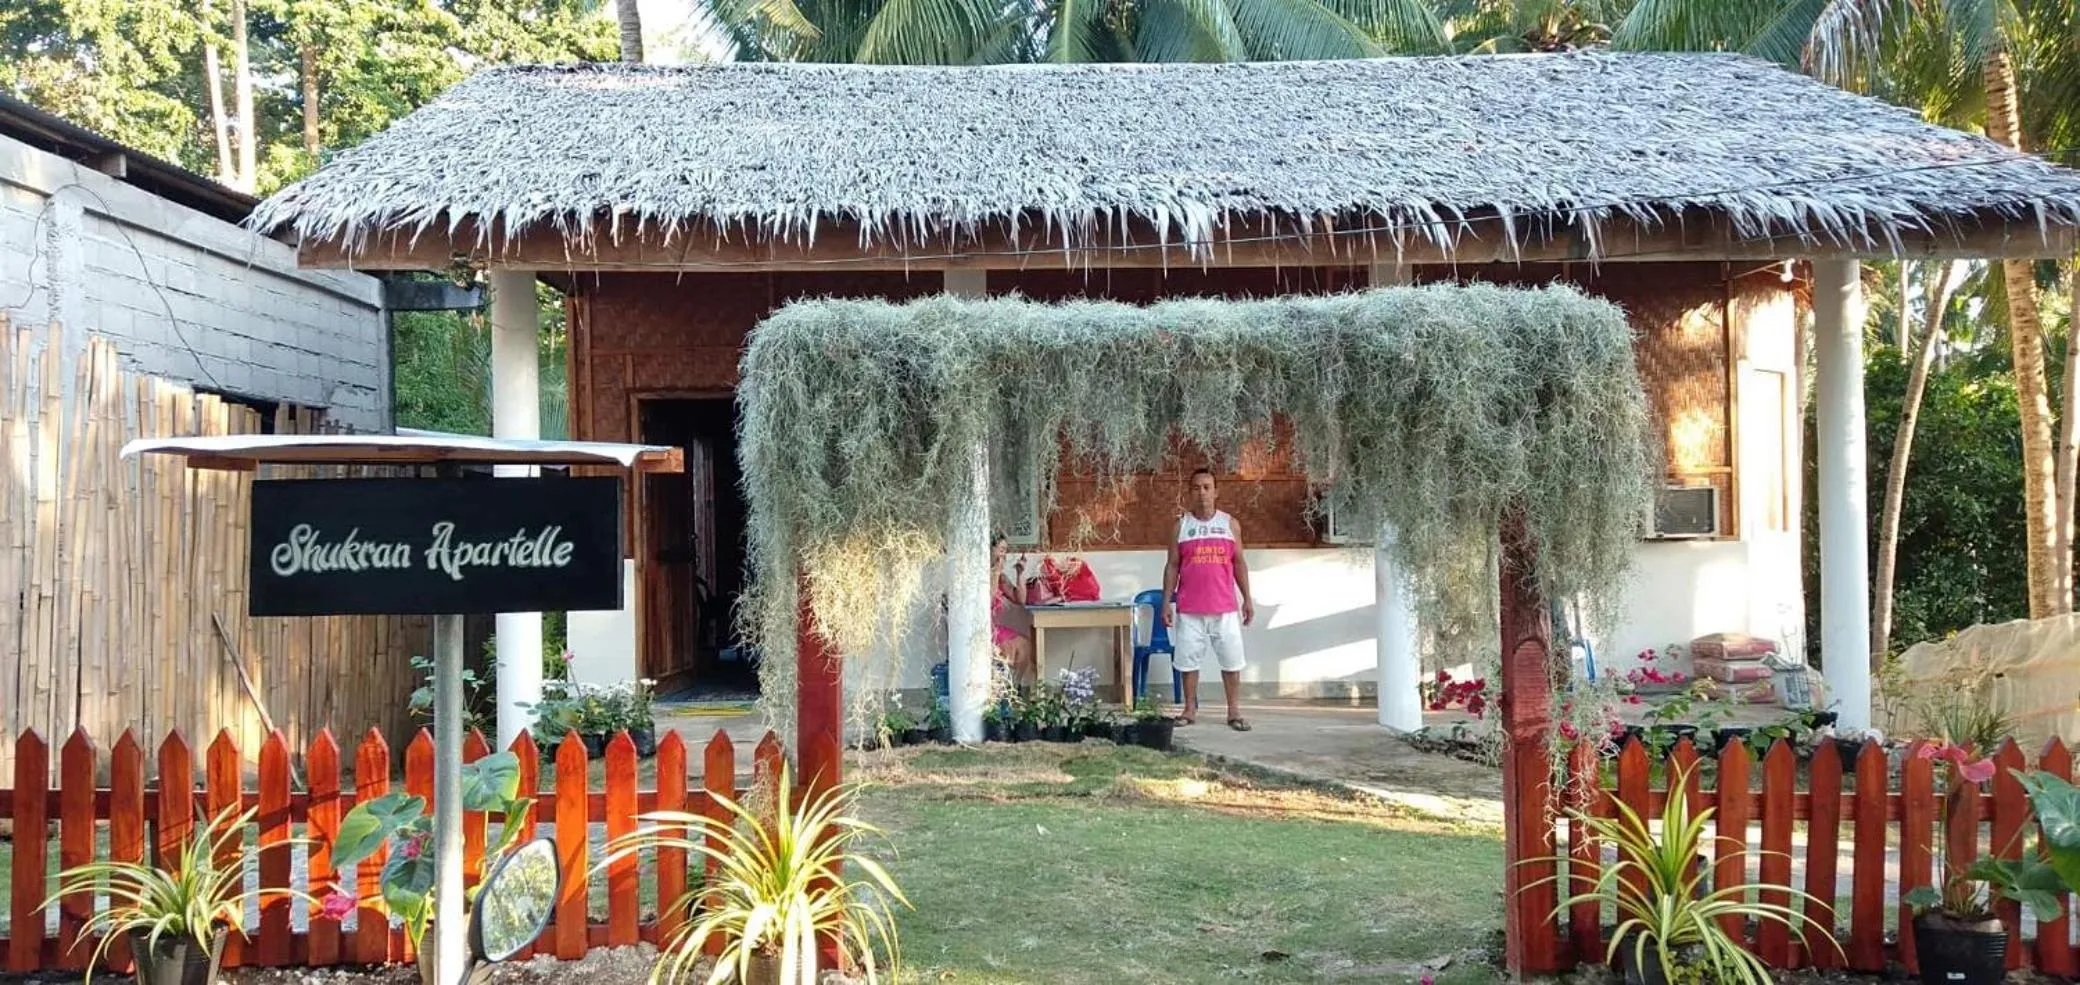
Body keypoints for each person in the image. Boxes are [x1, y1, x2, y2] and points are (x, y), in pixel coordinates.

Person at [1160, 468, 1254, 730]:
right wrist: (1166, 601)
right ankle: (1189, 709)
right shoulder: (1181, 527)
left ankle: (1234, 711)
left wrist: (1247, 598)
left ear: (1216, 491)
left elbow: (1239, 563)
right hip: (1190, 608)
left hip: (1224, 607)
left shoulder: (1229, 525)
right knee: (1188, 661)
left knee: (1232, 660)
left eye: (1207, 487)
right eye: (1196, 487)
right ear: (1189, 492)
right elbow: (1172, 566)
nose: (1202, 492)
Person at [989, 534, 1035, 679]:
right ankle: (1001, 689)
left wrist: (1020, 573)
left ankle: (1015, 688)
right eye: (1001, 550)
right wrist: (996, 571)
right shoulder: (977, 575)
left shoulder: (1001, 578)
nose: (1004, 555)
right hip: (980, 631)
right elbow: (987, 601)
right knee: (1009, 647)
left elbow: (1020, 599)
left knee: (1025, 645)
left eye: (1005, 551)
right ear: (989, 549)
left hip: (995, 629)